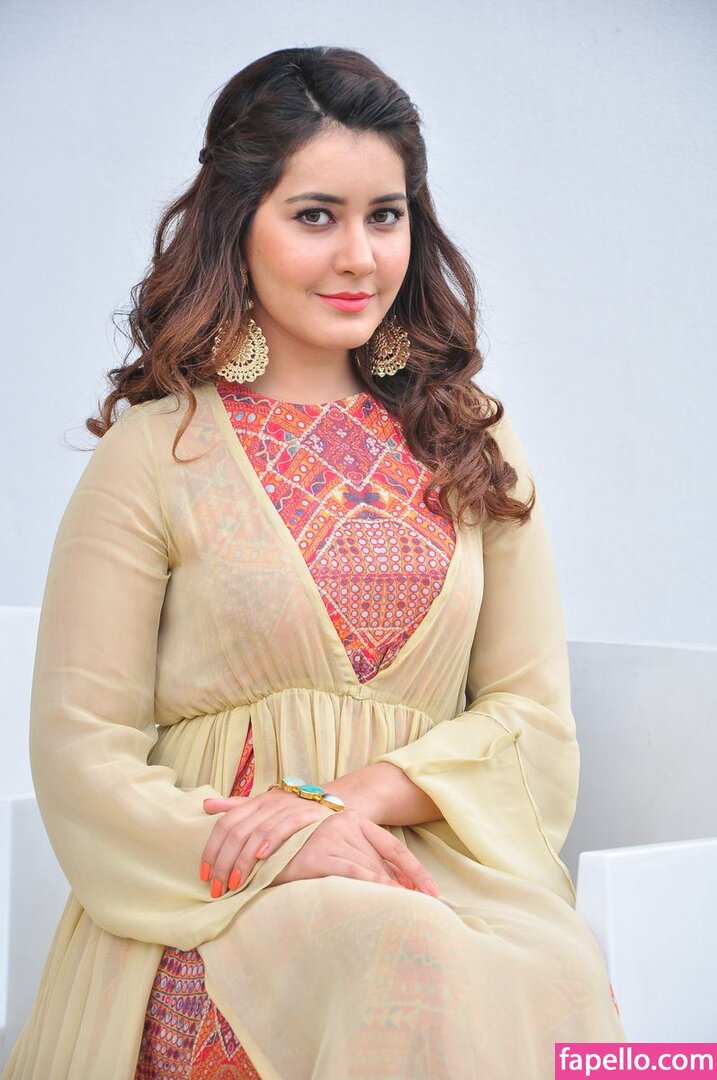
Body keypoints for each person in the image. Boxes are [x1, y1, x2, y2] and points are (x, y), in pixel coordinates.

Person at [1, 44, 626, 1080]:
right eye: (315, 216)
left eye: (385, 216)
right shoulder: (156, 451)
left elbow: (532, 720)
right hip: (214, 886)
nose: (359, 257)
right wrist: (285, 841)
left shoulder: (468, 436)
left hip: (429, 864)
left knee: (554, 970)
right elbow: (82, 749)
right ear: (235, 223)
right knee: (402, 958)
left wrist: (348, 803)